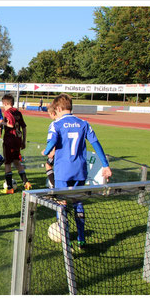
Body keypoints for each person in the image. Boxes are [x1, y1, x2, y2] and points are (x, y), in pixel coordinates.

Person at [41, 93, 112, 249]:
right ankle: (81, 238)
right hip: (80, 169)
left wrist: (46, 151)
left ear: (58, 108)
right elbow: (96, 144)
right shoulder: (84, 123)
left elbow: (52, 141)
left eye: (56, 110)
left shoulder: (56, 124)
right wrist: (105, 165)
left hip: (63, 171)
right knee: (78, 203)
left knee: (61, 203)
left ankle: (66, 239)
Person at [0, 94, 32, 194]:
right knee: (17, 161)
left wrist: (2, 123)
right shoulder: (18, 112)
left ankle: (9, 187)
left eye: (3, 105)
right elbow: (24, 127)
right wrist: (24, 140)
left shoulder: (7, 112)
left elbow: (11, 124)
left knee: (7, 163)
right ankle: (26, 183)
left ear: (5, 103)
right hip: (18, 139)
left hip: (10, 140)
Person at [44, 102, 57, 188]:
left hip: (57, 151)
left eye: (49, 114)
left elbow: (54, 140)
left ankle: (54, 186)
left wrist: (51, 151)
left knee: (48, 165)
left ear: (53, 113)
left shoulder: (54, 124)